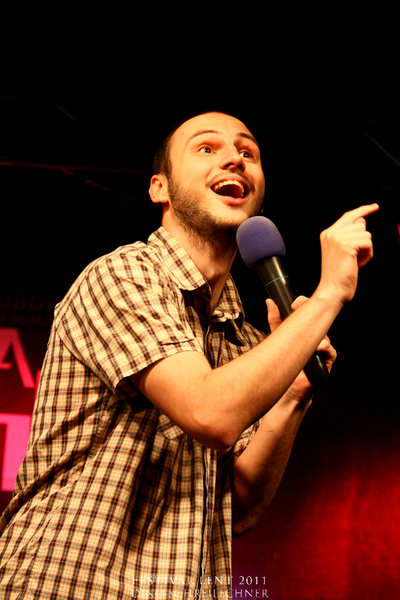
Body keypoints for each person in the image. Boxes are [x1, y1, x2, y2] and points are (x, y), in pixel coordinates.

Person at [0, 111, 378, 599]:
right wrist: (329, 295)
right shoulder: (124, 274)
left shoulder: (242, 340)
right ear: (160, 188)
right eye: (207, 148)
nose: (234, 159)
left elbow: (238, 508)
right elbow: (210, 413)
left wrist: (293, 393)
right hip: (70, 586)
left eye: (248, 152)